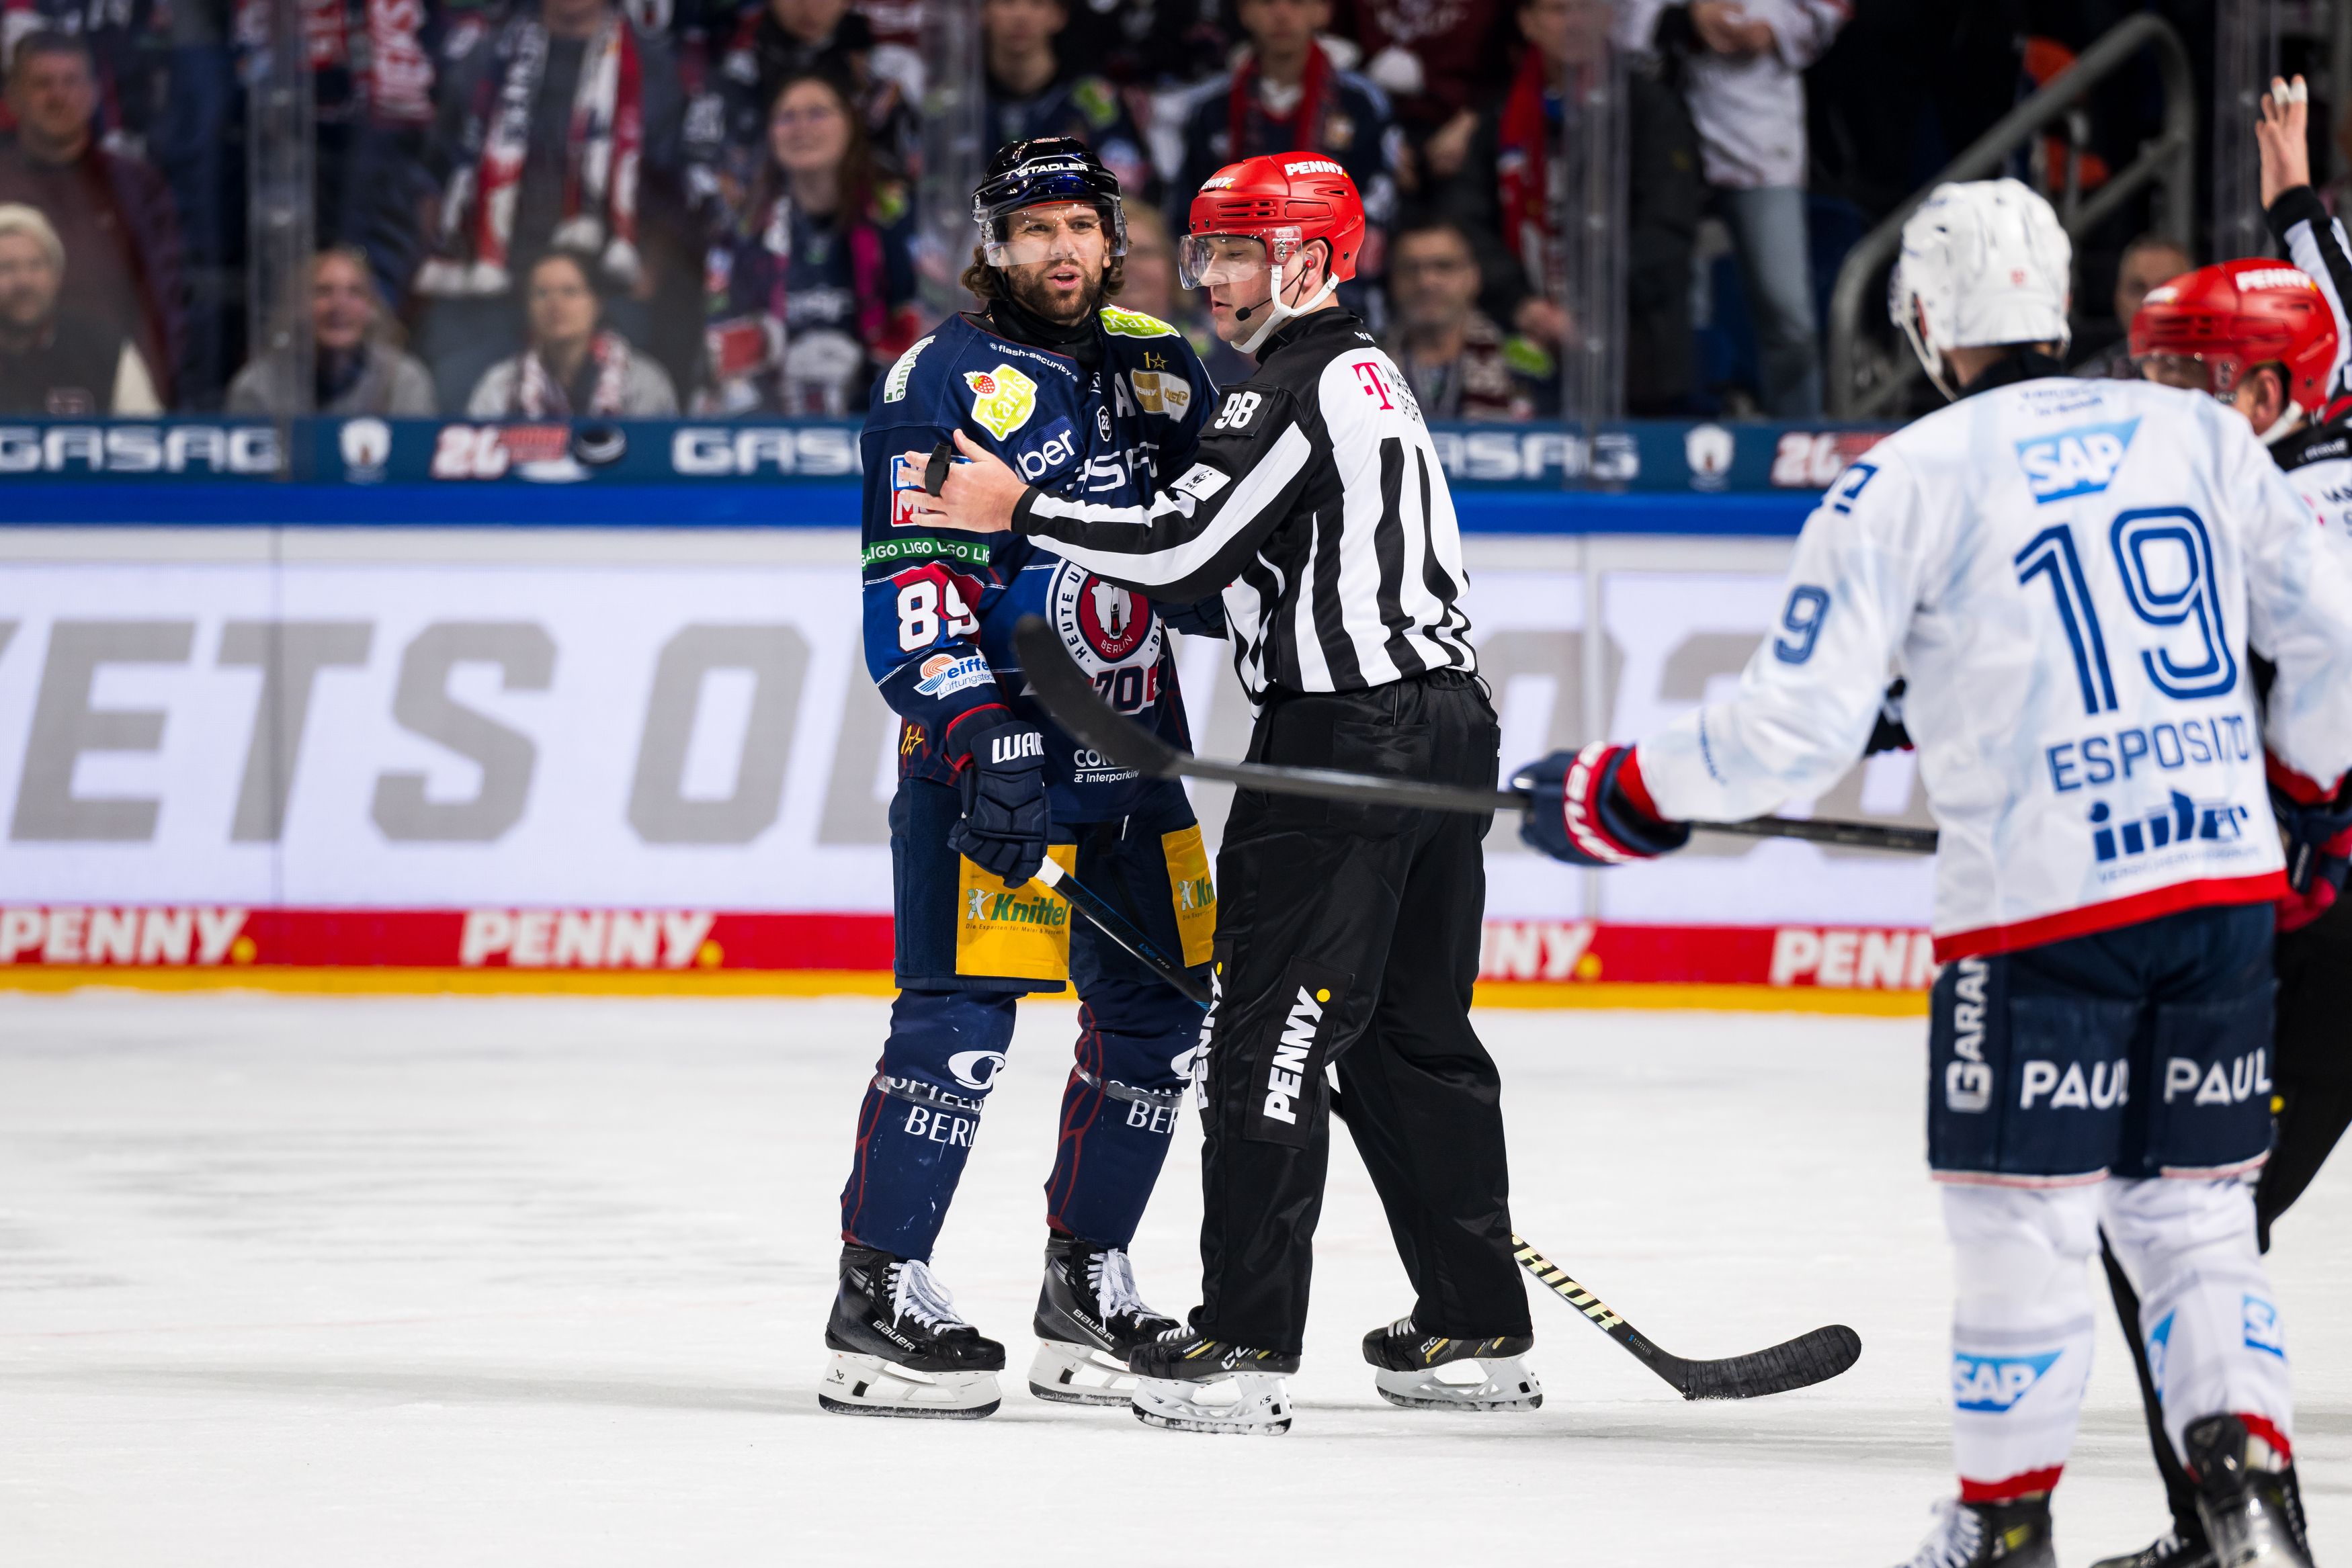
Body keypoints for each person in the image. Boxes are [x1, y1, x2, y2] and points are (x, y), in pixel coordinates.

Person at [1512, 178, 2352, 1567]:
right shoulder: (2197, 431)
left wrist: (1628, 794)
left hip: (2040, 910)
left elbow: (1793, 730)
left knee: (2021, 1217)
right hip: (2218, 892)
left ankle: (2001, 1527)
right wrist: (2312, 812)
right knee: (2191, 1211)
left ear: (1919, 322)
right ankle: (2246, 1514)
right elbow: (2326, 637)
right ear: (2062, 302)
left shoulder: (1898, 481)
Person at [909, 155, 1534, 1437]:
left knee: (1269, 1034)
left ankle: (1244, 1340)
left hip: (1344, 741)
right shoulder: (1366, 374)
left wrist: (1017, 502)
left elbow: (1184, 547)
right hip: (1447, 728)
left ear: (1312, 256)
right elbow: (1232, 578)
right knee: (1417, 1038)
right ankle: (1474, 1325)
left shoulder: (1290, 386)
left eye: (1244, 252)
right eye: (1206, 254)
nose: (1217, 280)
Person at [821, 137, 1224, 1420]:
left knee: (1165, 1018)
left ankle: (1085, 1284)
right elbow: (911, 581)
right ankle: (876, 1295)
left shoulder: (1160, 362)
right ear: (991, 246)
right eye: (1032, 229)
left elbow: (1214, 548)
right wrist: (973, 725)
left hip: (1137, 759)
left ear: (1115, 239)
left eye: (1080, 227)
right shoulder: (939, 378)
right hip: (998, 773)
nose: (1060, 251)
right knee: (962, 1025)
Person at [2085, 77, 2352, 1568]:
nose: (2160, 401)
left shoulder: (2281, 518)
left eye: (2190, 376)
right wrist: (2297, 204)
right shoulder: (2313, 440)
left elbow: (2328, 685)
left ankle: (2234, 1531)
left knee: (2173, 1220)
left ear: (2262, 395)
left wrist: (2305, 840)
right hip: (2309, 918)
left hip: (2320, 934)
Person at [417, 0, 688, 411]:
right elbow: (437, 171)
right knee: (464, 407)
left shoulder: (650, 67)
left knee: (622, 419)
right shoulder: (488, 57)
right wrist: (447, 248)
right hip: (487, 280)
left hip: (604, 282)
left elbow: (671, 187)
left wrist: (648, 268)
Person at [1439, 0, 1701, 413]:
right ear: (1527, 22)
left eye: (1588, 9)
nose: (1575, 23)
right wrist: (1521, 305)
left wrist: (1592, 305)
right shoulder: (1500, 115)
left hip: (1632, 345)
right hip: (1519, 336)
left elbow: (1668, 227)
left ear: (1611, 18)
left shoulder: (1651, 108)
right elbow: (1465, 221)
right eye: (1559, 10)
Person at [1619, 0, 1846, 417]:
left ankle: (1795, 437)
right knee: (1672, 307)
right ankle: (1680, 436)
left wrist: (1771, 29)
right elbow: (1616, 25)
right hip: (1662, 134)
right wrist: (1684, 19)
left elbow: (1831, 10)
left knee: (1787, 312)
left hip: (1758, 135)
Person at [700, 71, 920, 414]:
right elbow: (720, 331)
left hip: (883, 408)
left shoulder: (897, 213)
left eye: (817, 113)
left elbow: (932, 321)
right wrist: (769, 351)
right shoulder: (747, 225)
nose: (802, 128)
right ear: (770, 134)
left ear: (850, 124)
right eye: (787, 118)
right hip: (774, 413)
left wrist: (873, 367)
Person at [1173, 0, 1397, 314]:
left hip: (1337, 277)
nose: (1281, 14)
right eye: (1266, 3)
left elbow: (1379, 199)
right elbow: (1188, 205)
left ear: (1323, 11)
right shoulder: (1211, 109)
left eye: (1297, 3)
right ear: (1244, 12)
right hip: (1234, 275)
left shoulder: (1361, 103)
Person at [0, 30, 183, 406]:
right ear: (13, 98)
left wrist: (148, 393)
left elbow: (165, 302)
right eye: (42, 84)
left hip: (109, 393)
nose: (58, 96)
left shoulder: (134, 186)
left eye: (71, 81)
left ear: (93, 94)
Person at [226, 247, 437, 416]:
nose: (339, 306)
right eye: (323, 292)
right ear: (298, 306)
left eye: (355, 292)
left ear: (372, 308)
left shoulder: (403, 381)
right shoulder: (259, 386)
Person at [466, 249, 679, 416]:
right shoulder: (500, 384)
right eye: (541, 293)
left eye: (570, 291)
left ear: (598, 303)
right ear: (527, 308)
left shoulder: (643, 381)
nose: (555, 304)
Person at [980, 0, 1152, 203]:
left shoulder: (1094, 98)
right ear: (983, 12)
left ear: (1059, 15)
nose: (1021, 15)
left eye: (1037, 4)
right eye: (1007, 3)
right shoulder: (956, 103)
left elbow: (1127, 190)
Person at [1382, 218, 1555, 419]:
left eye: (1444, 266)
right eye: (1411, 268)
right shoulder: (1363, 361)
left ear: (1473, 277)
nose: (1426, 282)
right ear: (1393, 281)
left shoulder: (1527, 362)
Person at [0, 201, 159, 413]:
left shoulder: (105, 349)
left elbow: (146, 435)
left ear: (57, 276)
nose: (24, 282)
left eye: (36, 265)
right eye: (7, 267)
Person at [2072, 233, 2195, 382]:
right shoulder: (2087, 385)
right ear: (2117, 300)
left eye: (2166, 287)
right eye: (2137, 289)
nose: (2150, 300)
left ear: (2196, 295)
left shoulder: (2223, 379)